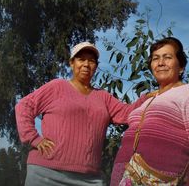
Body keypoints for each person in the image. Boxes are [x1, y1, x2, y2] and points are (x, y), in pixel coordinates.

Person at [15, 41, 149, 186]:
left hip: (89, 178)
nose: (86, 64)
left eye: (91, 61)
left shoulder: (103, 97)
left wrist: (149, 98)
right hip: (46, 173)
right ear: (72, 63)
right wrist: (34, 138)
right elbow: (24, 106)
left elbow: (127, 113)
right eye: (81, 59)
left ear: (96, 67)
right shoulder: (57, 86)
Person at [110, 37, 189, 186]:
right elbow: (120, 114)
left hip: (159, 179)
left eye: (167, 57)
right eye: (155, 58)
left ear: (181, 66)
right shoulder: (147, 100)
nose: (160, 63)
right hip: (123, 177)